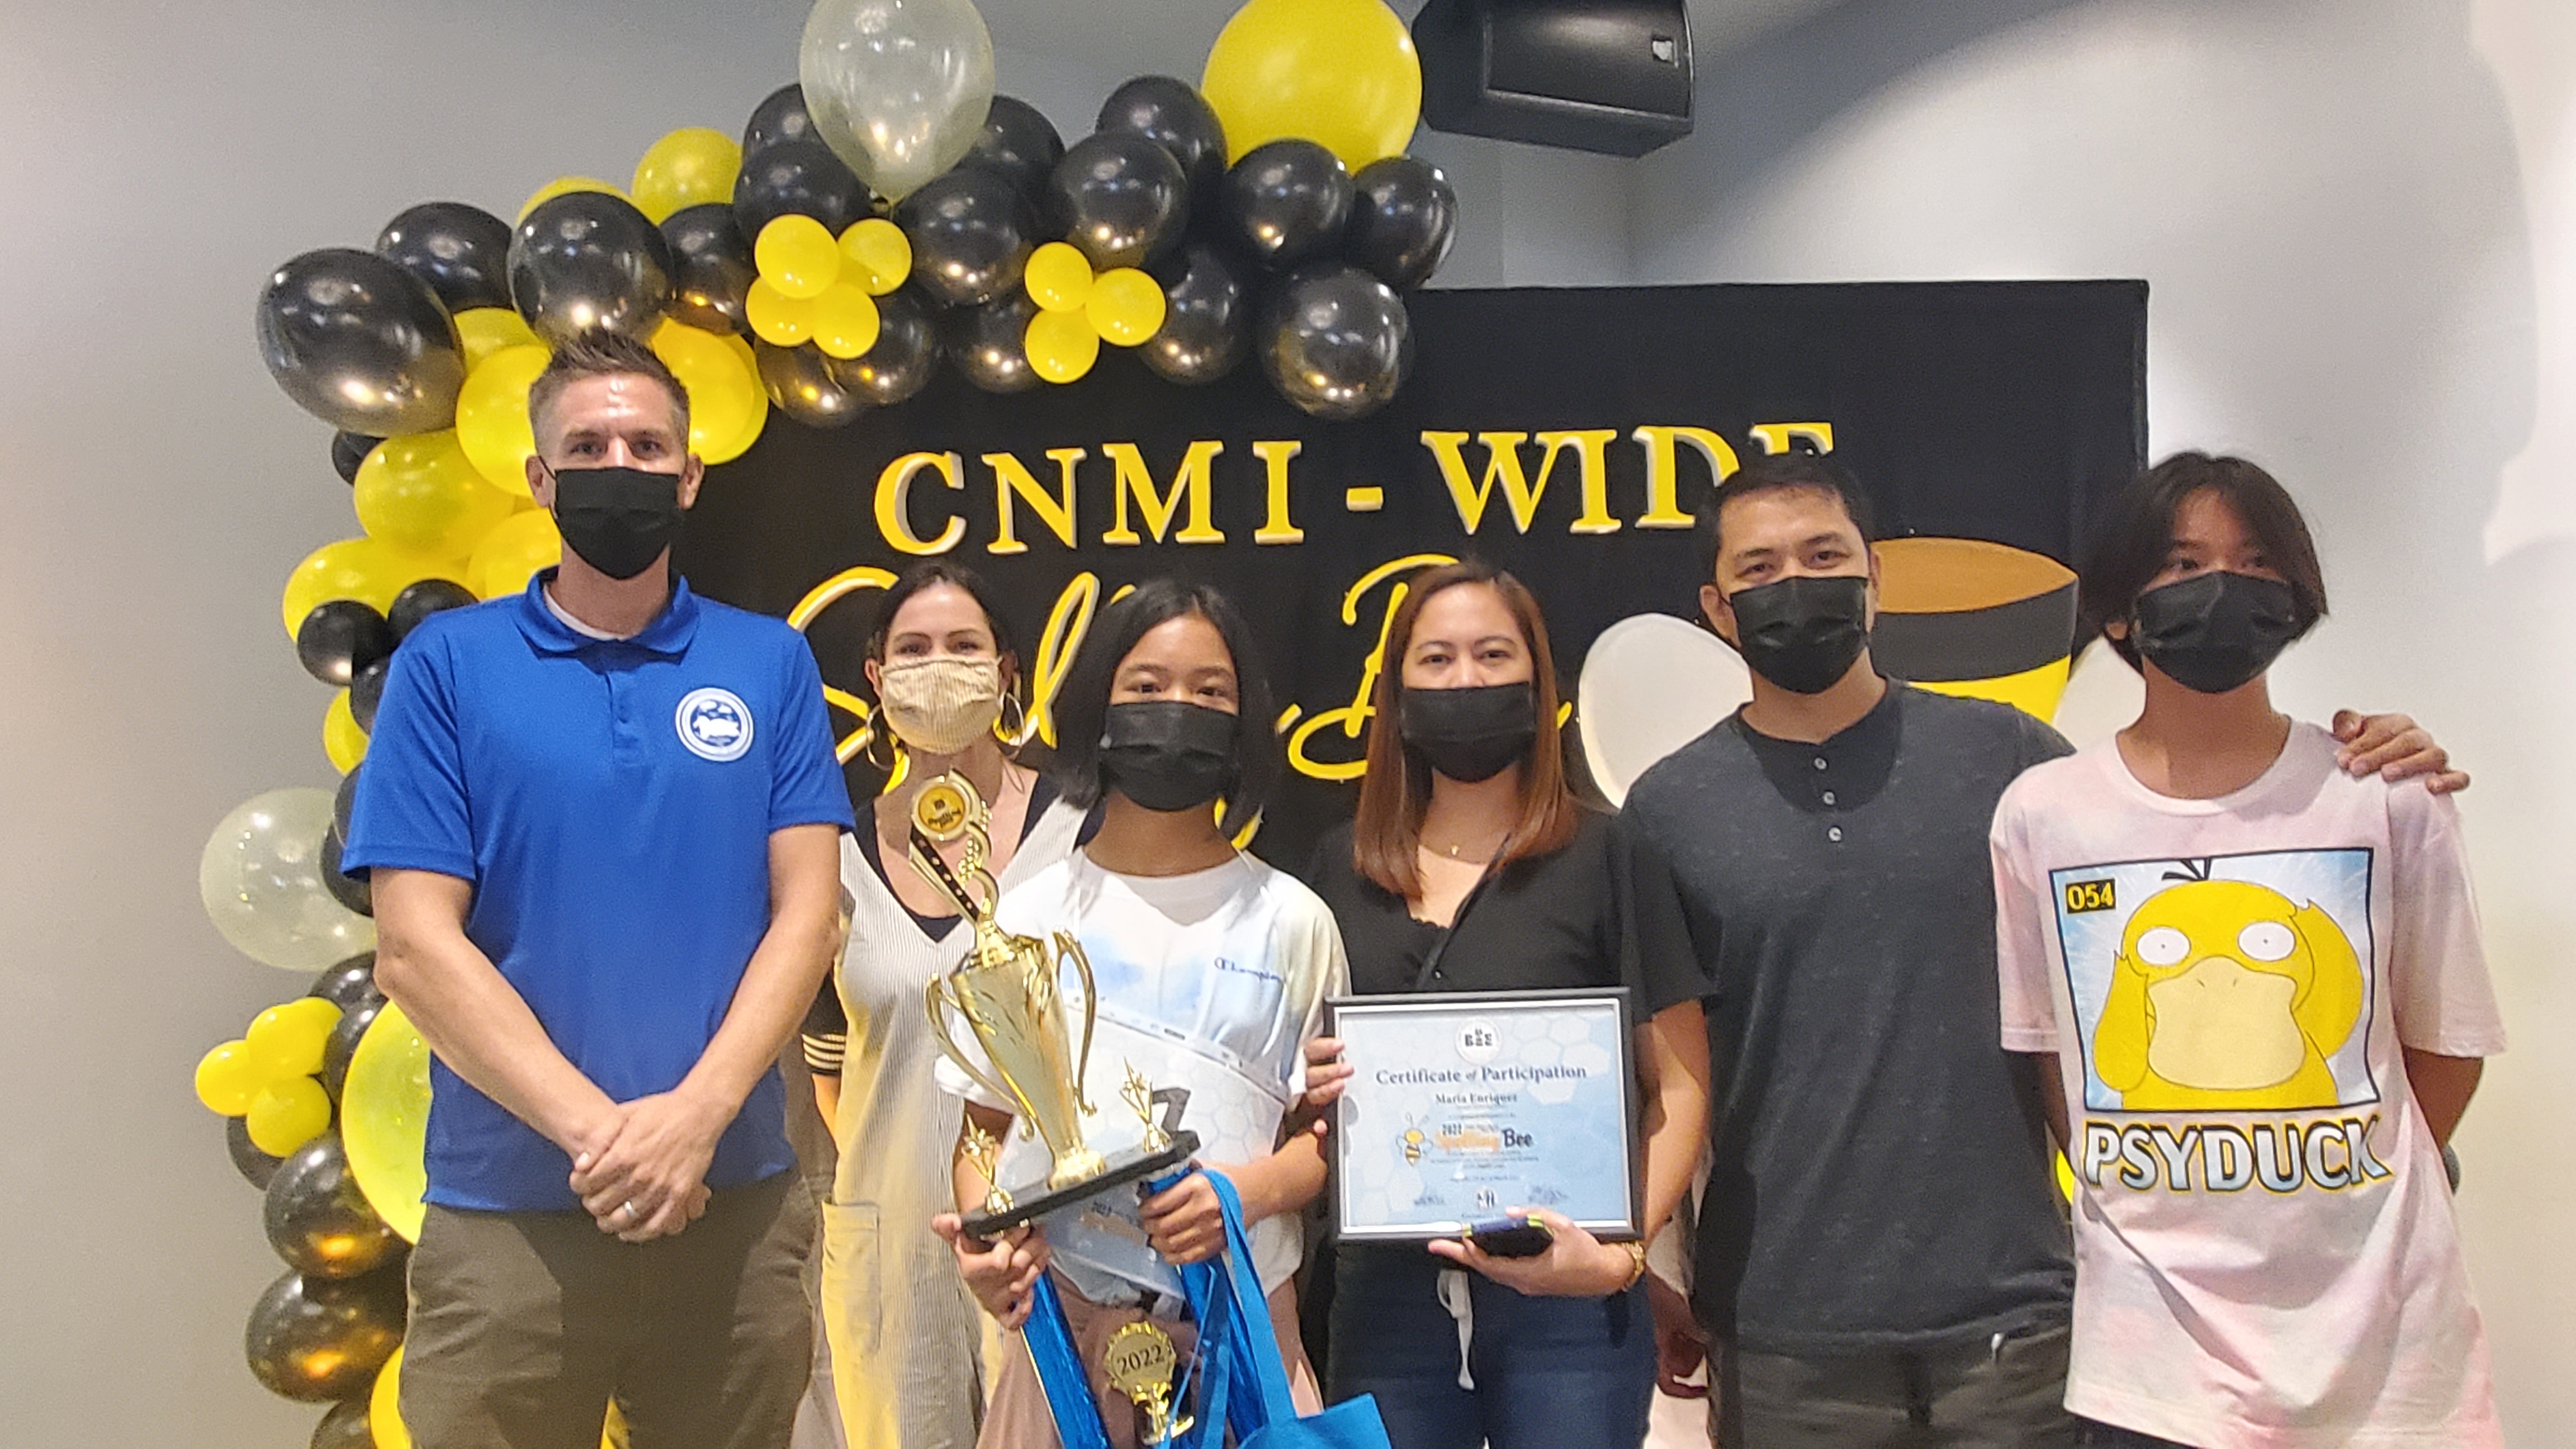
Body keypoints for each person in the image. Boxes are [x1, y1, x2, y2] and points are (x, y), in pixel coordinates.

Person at [1616, 450, 2469, 1448]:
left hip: (2023, 1321)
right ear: (1718, 608)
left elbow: (2198, 852)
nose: (1796, 587)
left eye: (1824, 555)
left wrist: (2370, 754)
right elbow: (1670, 1080)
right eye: (1760, 572)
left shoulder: (2018, 769)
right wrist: (1643, 1269)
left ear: (1875, 579)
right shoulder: (1664, 811)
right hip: (1782, 1331)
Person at [344, 331, 853, 1449]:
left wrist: (698, 1121)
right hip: (507, 1220)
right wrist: (610, 1140)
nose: (618, 463)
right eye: (587, 444)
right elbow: (416, 948)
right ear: (539, 478)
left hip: (735, 1208)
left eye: (645, 443)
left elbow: (809, 916)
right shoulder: (447, 667)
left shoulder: (767, 664)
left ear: (689, 477)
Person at [1990, 453, 2505, 1447]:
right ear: (2117, 612)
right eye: (2181, 565)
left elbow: (2444, 1046)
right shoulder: (2043, 817)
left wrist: (2347, 1172)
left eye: (2254, 561)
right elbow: (2057, 1062)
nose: (2222, 586)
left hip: (2390, 1357)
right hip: (2152, 1363)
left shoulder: (2387, 796)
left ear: (2296, 597)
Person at [1296, 561, 1712, 1449]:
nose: (1468, 680)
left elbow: (1679, 1089)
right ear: (1397, 694)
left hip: (1565, 1300)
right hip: (1384, 1304)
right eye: (1437, 660)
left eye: (1493, 655)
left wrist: (1620, 1256)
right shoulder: (1337, 870)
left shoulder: (1609, 855)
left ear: (1537, 681)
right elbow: (1295, 1093)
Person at [930, 579, 1348, 1449]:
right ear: (1099, 708)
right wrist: (988, 1238)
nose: (1178, 709)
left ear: (1243, 723)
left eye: (1210, 692)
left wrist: (1242, 1193)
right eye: (1148, 687)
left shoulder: (1295, 920)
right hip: (1062, 1348)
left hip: (1246, 1338)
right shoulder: (1026, 918)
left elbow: (1329, 1137)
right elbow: (982, 1136)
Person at [799, 562, 1088, 1449]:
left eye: (964, 647)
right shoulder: (833, 853)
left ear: (1006, 672)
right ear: (876, 679)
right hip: (890, 1245)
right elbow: (829, 1071)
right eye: (913, 649)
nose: (939, 667)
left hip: (1051, 1243)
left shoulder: (1083, 831)